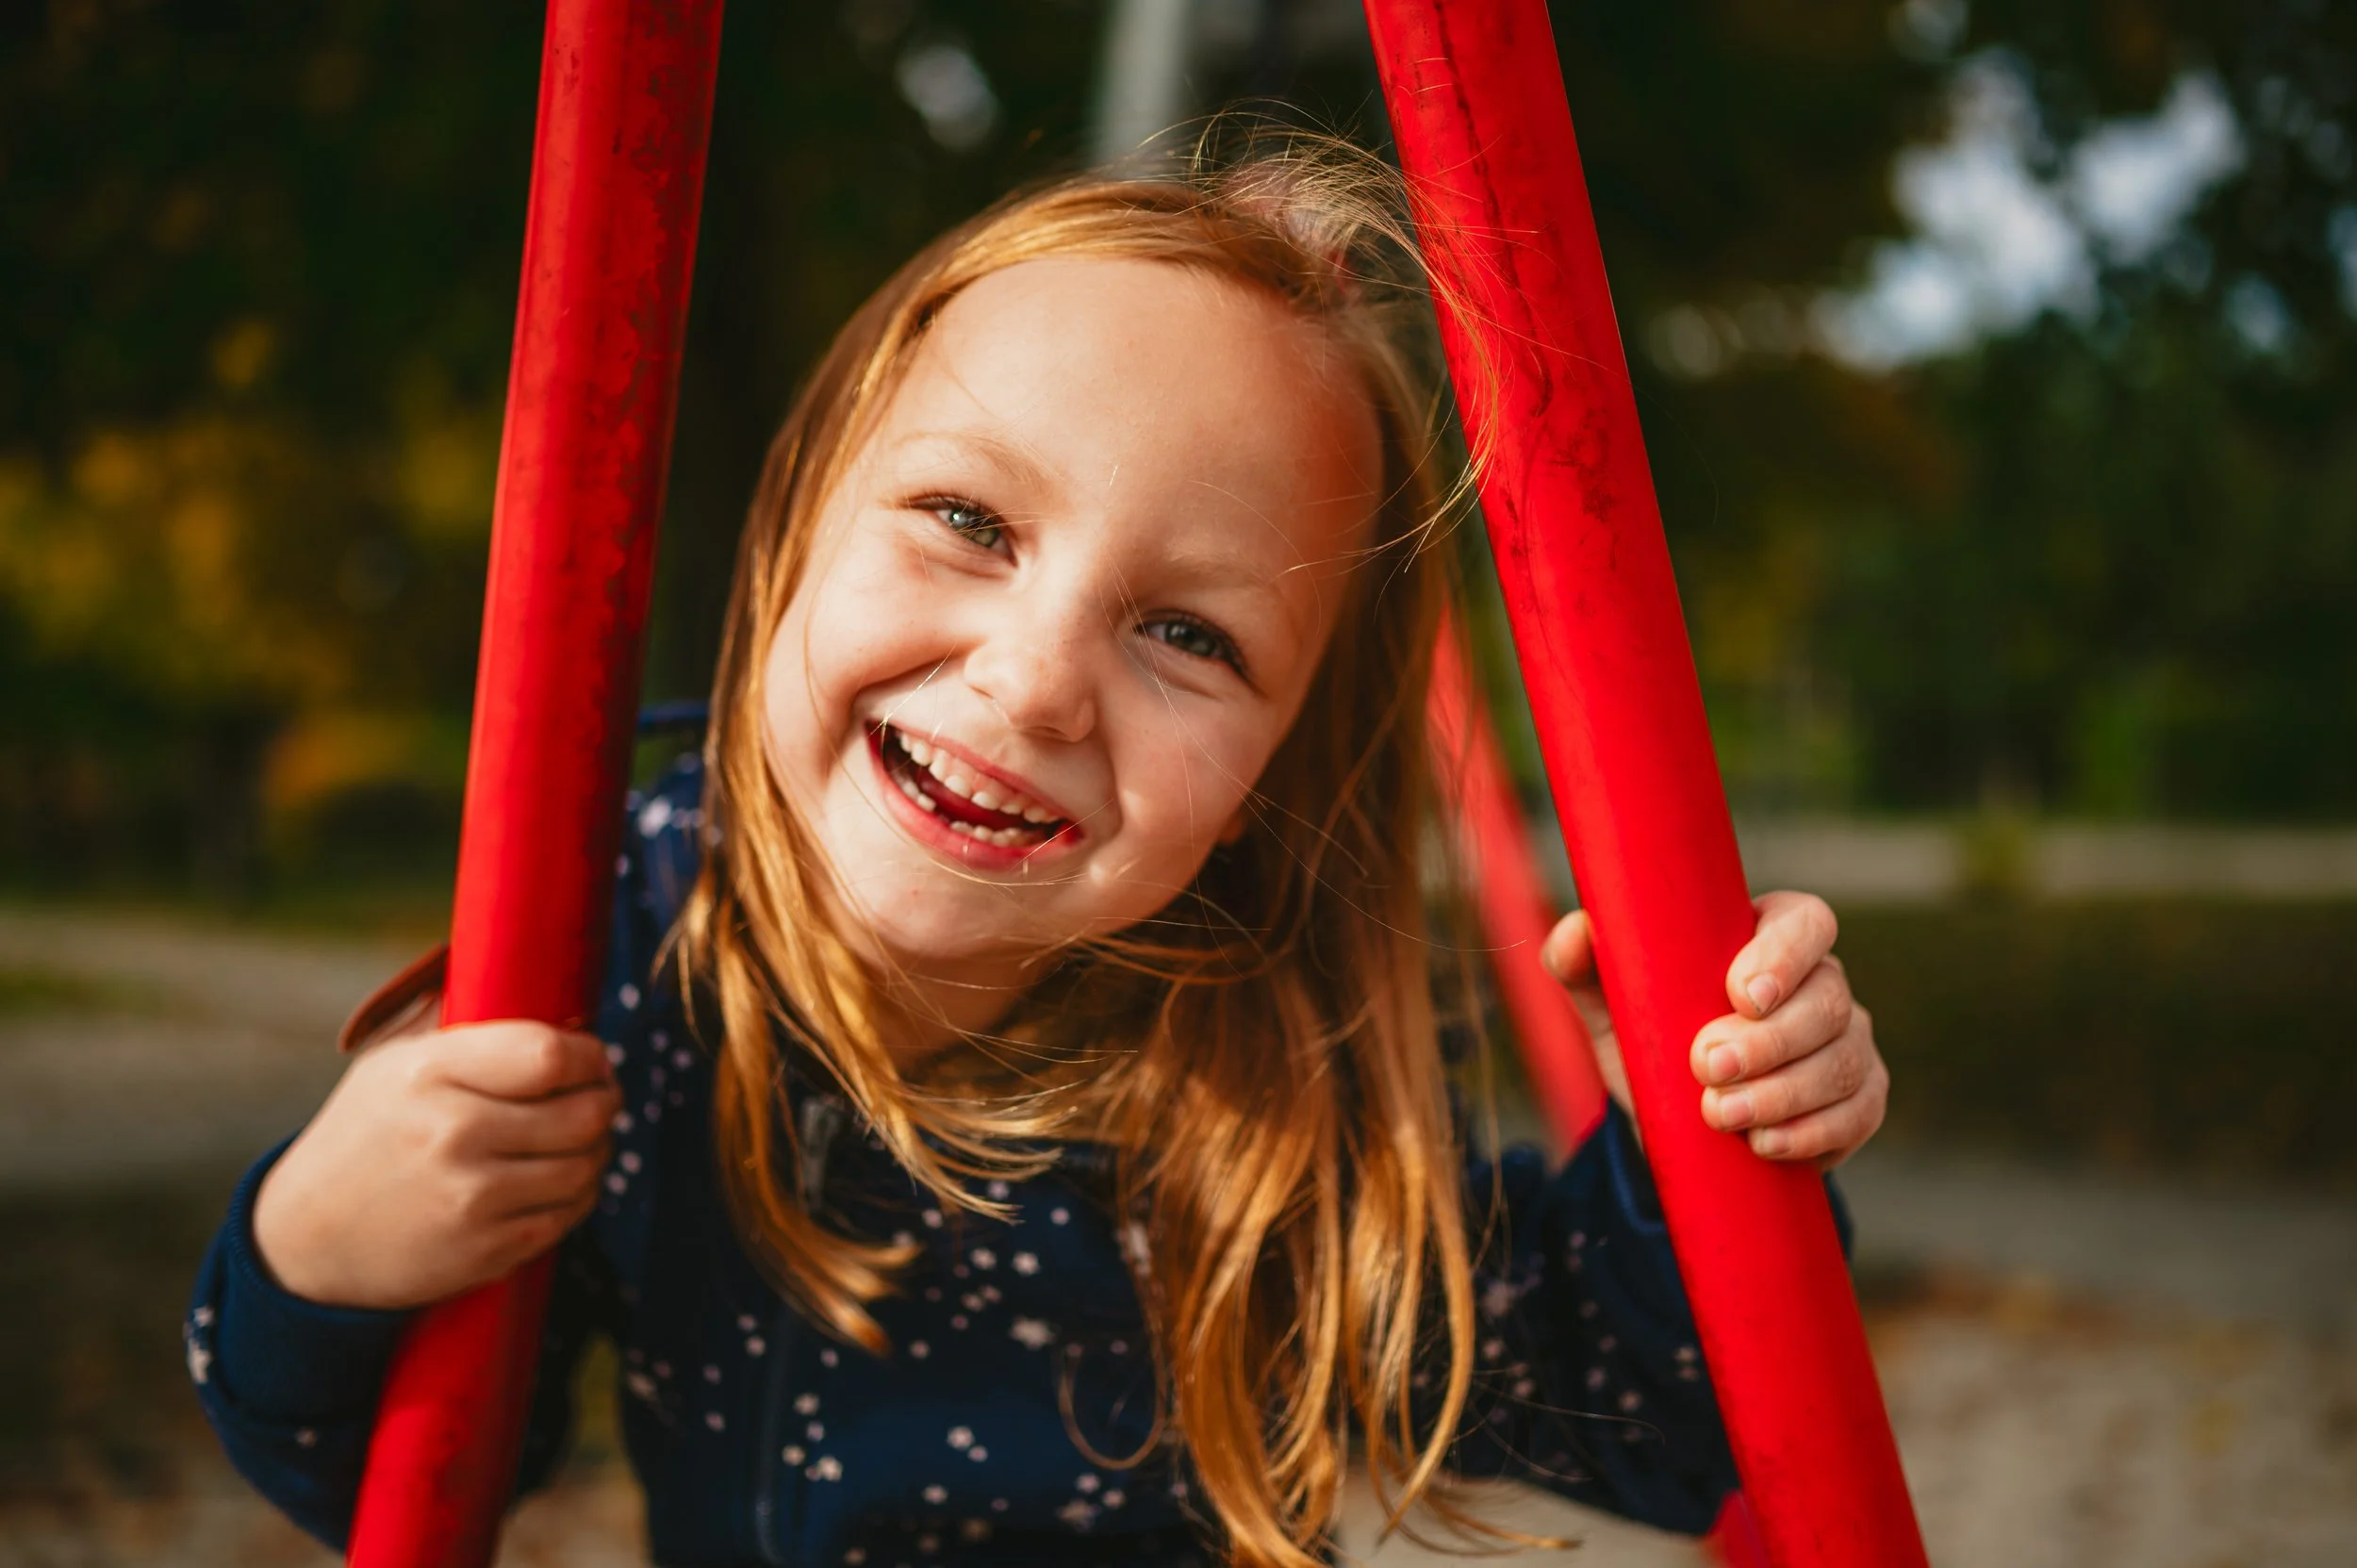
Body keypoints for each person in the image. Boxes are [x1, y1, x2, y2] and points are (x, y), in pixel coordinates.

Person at [186, 134, 1890, 1568]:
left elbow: (1658, 1426)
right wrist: (310, 1251)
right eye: (968, 521)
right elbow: (425, 1476)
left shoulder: (1261, 1073)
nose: (1037, 679)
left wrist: (1702, 1143)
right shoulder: (642, 953)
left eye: (1189, 634)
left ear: (1273, 779)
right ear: (795, 522)